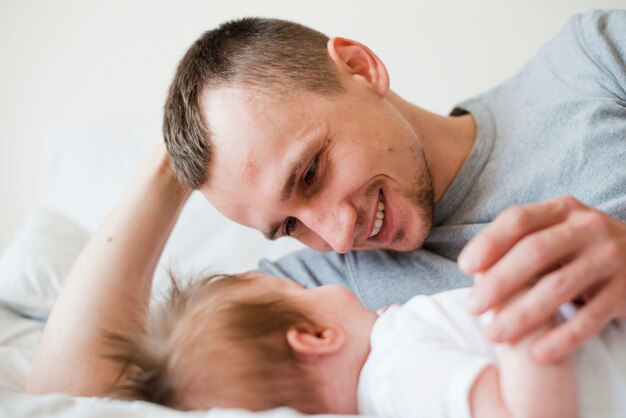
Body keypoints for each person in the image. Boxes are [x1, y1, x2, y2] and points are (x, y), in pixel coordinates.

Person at [25, 9, 626, 397]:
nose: (339, 235)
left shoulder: (592, 64)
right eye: (288, 224)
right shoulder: (320, 299)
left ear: (360, 68)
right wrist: (172, 156)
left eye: (311, 173)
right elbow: (69, 394)